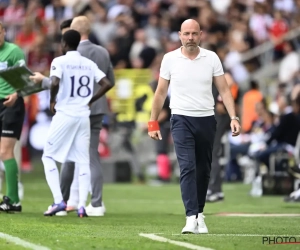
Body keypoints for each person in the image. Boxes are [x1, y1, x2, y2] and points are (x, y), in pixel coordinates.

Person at [148, 19, 241, 234]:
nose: (190, 38)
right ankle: (190, 216)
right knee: (187, 167)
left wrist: (234, 117)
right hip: (180, 119)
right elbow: (161, 92)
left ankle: (199, 213)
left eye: (194, 34)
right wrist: (153, 122)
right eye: (186, 33)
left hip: (206, 119)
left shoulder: (212, 58)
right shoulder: (169, 59)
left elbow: (225, 91)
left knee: (203, 169)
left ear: (201, 35)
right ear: (180, 35)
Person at [30, 16, 115, 216]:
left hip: (66, 113)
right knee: (83, 159)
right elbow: (107, 83)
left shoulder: (59, 60)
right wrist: (91, 99)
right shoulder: (87, 63)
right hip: (83, 114)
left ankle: (59, 201)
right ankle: (83, 206)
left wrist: (52, 99)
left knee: (48, 156)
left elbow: (55, 82)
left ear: (64, 43)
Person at [0, 21, 26, 212]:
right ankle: (11, 199)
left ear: (3, 32)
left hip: (11, 104)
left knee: (5, 151)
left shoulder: (14, 51)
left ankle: (13, 199)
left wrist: (16, 94)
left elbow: (25, 79)